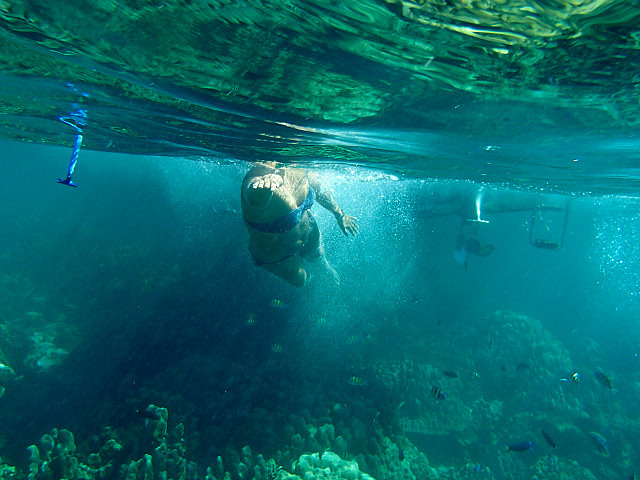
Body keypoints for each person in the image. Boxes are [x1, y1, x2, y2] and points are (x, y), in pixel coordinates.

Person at [240, 163, 359, 287]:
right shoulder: (262, 174)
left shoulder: (301, 165)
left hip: (308, 234)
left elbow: (318, 189)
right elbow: (252, 194)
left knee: (318, 257)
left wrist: (339, 215)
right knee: (301, 281)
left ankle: (322, 266)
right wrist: (262, 189)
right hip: (278, 255)